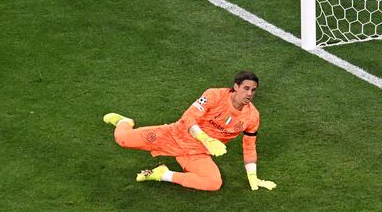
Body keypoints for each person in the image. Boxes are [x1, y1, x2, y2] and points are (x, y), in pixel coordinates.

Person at [103, 71, 276, 192]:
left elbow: (249, 147)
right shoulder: (215, 95)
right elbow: (188, 117)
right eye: (246, 88)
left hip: (196, 152)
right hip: (174, 135)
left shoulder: (252, 116)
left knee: (213, 183)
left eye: (253, 90)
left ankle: (162, 174)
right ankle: (124, 121)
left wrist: (253, 177)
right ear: (236, 86)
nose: (250, 93)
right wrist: (205, 138)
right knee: (122, 139)